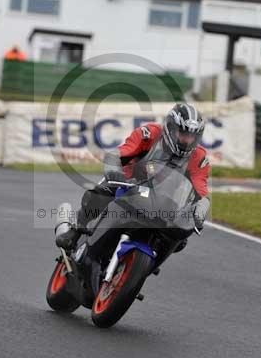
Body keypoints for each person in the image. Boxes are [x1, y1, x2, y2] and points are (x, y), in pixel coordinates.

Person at [56, 103, 211, 251]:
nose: (187, 140)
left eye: (192, 136)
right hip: (127, 182)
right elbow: (119, 153)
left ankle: (148, 260)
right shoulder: (149, 134)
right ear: (170, 128)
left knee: (180, 240)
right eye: (183, 134)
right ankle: (74, 232)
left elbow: (201, 191)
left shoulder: (199, 157)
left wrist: (200, 210)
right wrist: (114, 170)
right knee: (99, 195)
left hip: (162, 199)